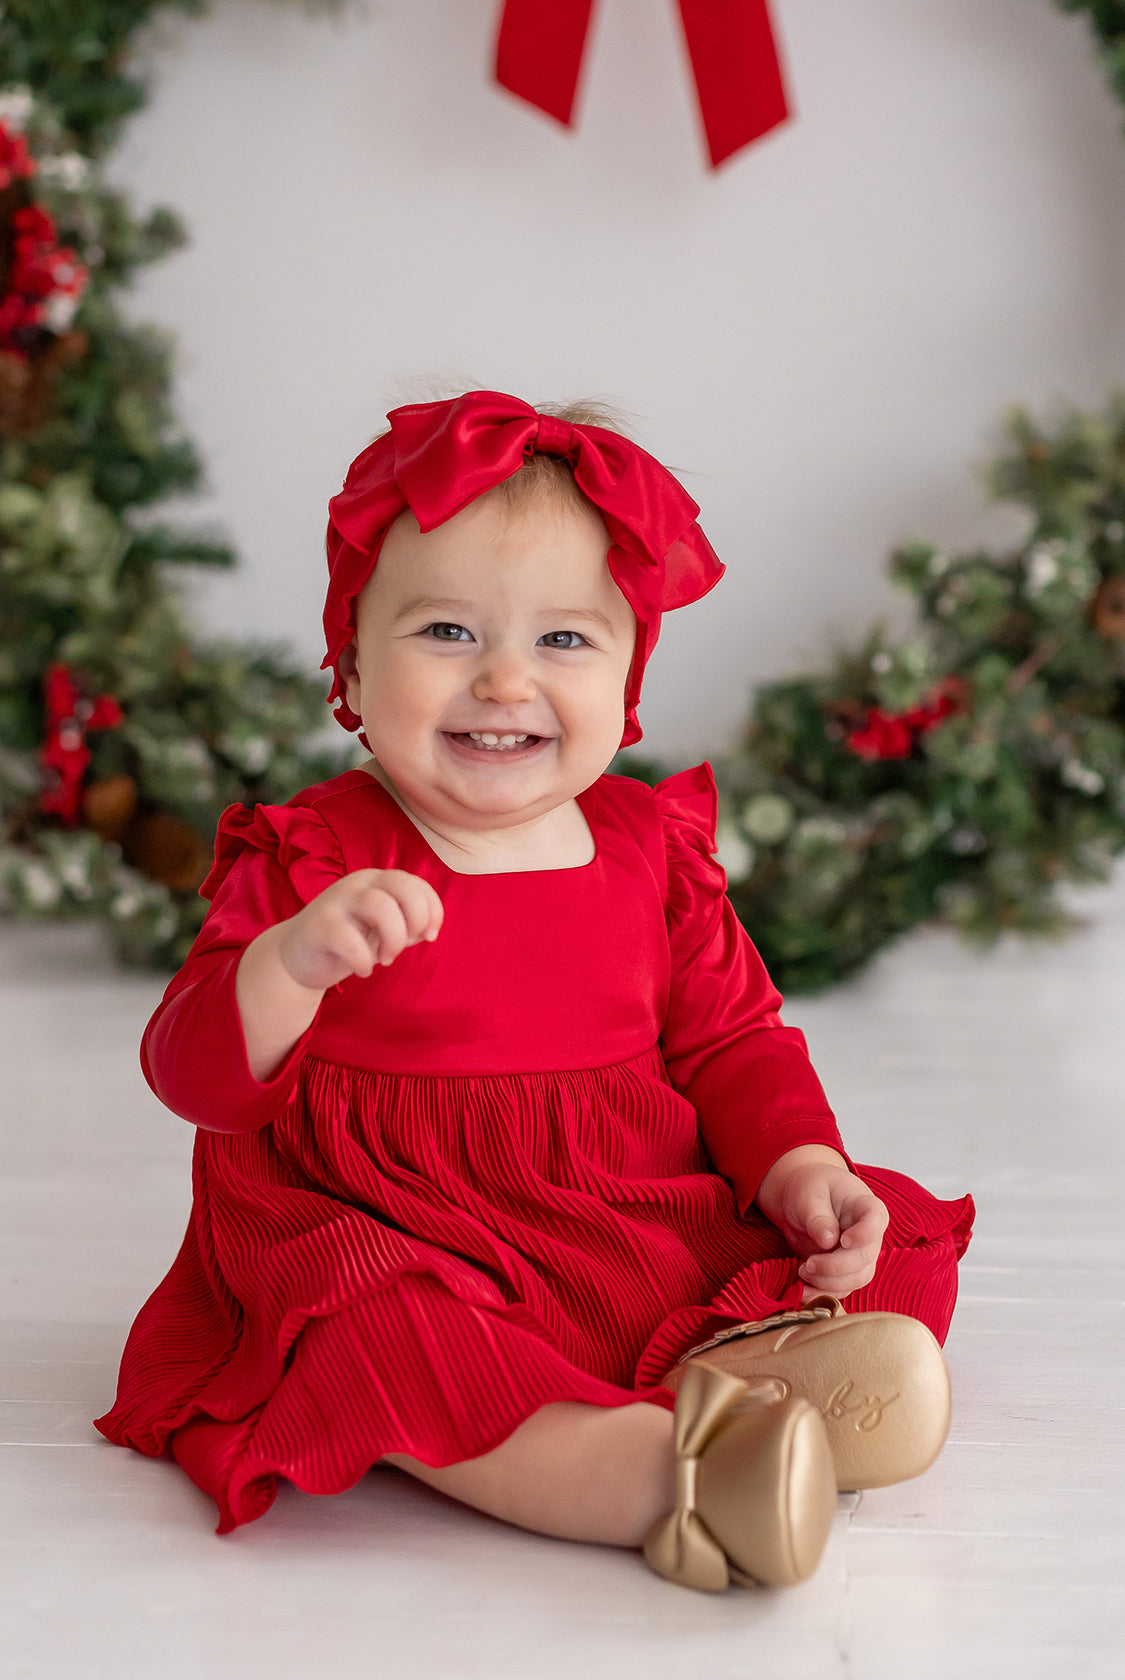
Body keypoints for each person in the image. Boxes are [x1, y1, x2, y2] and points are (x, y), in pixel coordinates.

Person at [95, 391, 974, 1592]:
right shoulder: (314, 857)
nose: (505, 680)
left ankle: (771, 1365)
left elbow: (732, 1043)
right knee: (385, 1340)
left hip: (612, 1207)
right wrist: (285, 965)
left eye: (564, 641)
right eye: (448, 632)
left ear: (627, 677)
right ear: (351, 656)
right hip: (388, 1226)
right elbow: (184, 1070)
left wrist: (799, 1168)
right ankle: (659, 1475)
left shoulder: (646, 848)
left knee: (890, 1229)